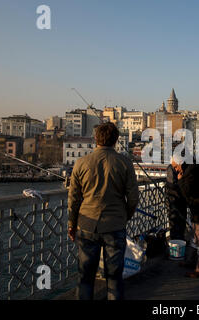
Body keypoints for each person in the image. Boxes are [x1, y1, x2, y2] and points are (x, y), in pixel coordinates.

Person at [68, 122, 139, 300]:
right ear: (116, 140)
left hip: (87, 225)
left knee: (85, 277)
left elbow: (74, 199)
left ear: (96, 139)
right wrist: (125, 216)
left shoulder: (81, 163)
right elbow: (133, 197)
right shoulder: (125, 163)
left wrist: (72, 223)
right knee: (114, 277)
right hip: (115, 225)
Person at [166, 157, 187, 240]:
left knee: (182, 220)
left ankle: (181, 239)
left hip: (181, 200)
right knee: (175, 222)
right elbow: (172, 186)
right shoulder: (170, 169)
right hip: (173, 200)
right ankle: (175, 241)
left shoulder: (181, 168)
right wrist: (180, 181)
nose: (177, 168)